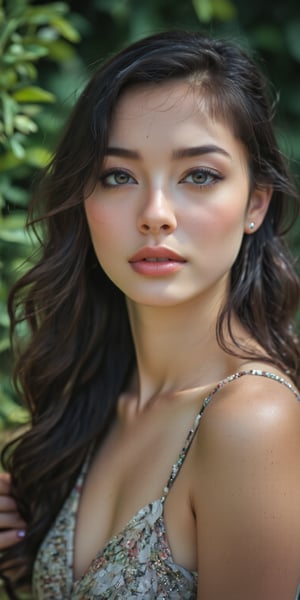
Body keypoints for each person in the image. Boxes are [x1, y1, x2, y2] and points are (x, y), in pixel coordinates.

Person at [0, 29, 299, 600]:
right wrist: (23, 560)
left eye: (199, 175)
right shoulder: (95, 403)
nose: (156, 214)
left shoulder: (250, 419)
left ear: (254, 204)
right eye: (119, 176)